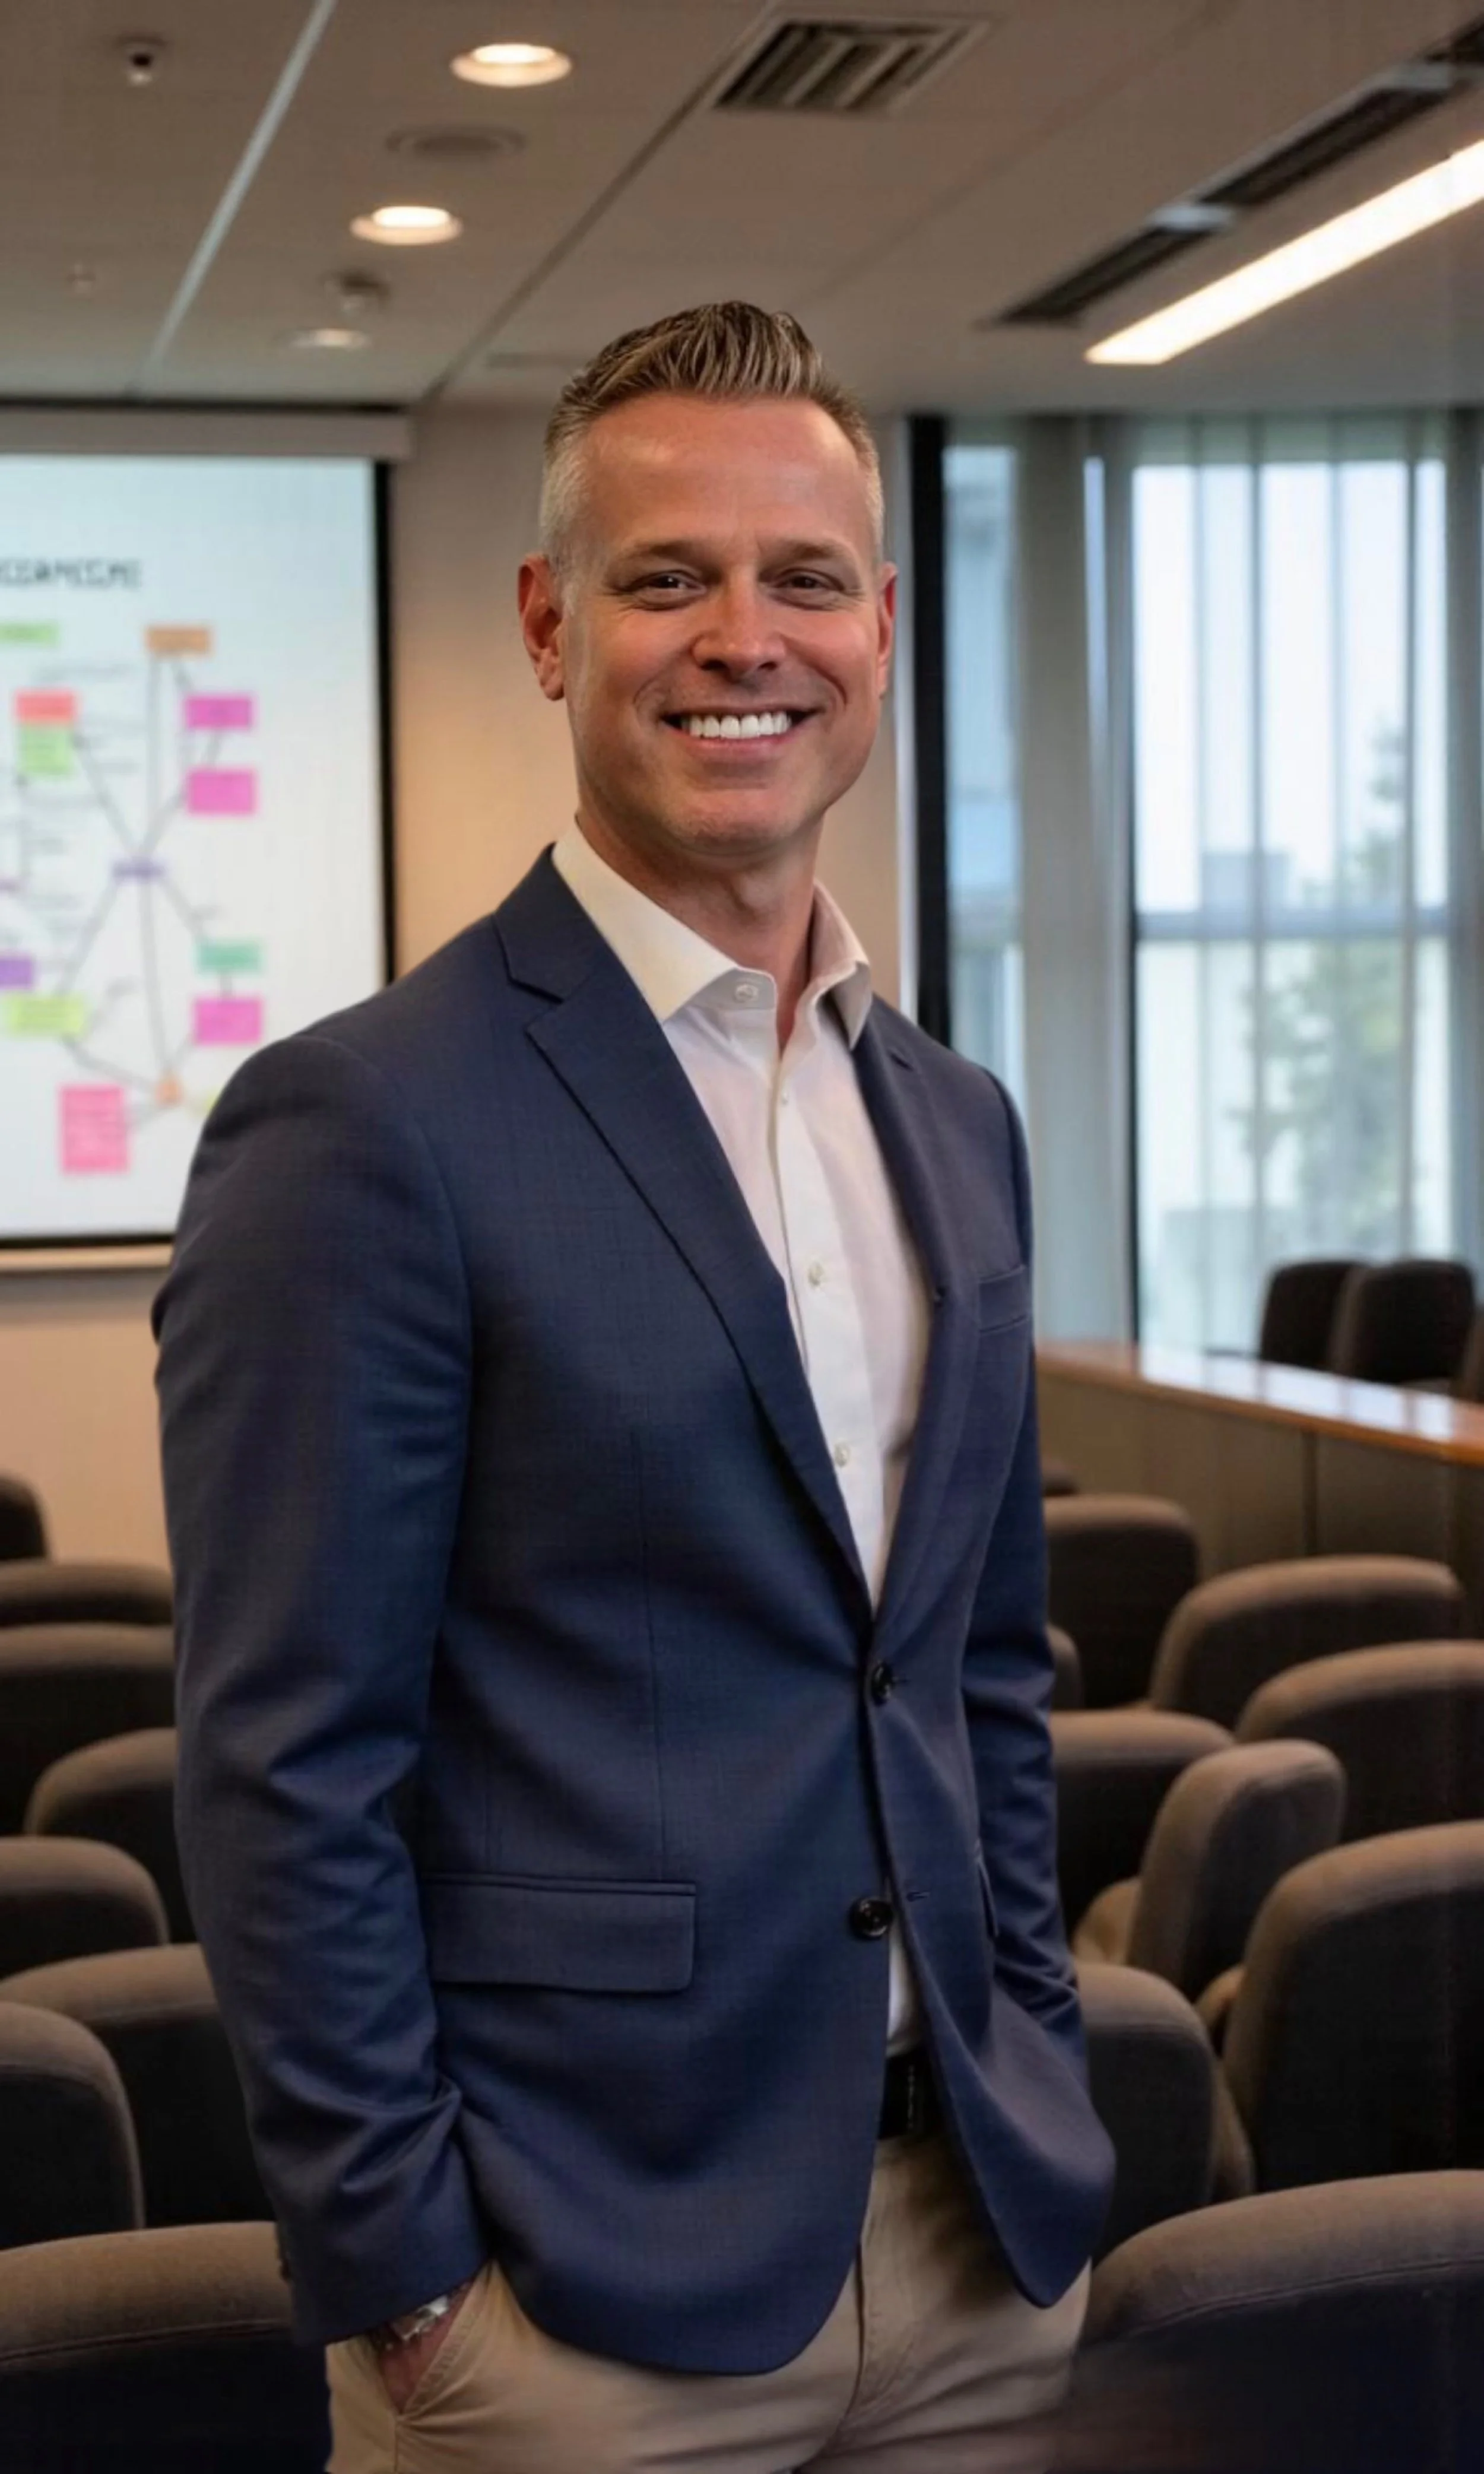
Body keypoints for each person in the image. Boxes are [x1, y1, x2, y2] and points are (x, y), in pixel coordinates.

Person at [153, 301, 1114, 2474]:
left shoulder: (952, 1117)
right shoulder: (362, 1124)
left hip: (972, 2246)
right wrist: (403, 2278)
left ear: (880, 620)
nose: (737, 640)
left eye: (799, 581)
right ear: (546, 621)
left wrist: (1032, 2044)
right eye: (666, 578)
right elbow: (284, 1759)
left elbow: (973, 1676)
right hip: (573, 2309)